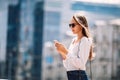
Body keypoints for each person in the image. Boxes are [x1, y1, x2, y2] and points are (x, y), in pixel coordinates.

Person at [54, 13, 95, 80]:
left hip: (79, 76)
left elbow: (81, 64)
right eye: (70, 25)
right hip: (72, 76)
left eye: (73, 25)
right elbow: (68, 66)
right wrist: (62, 53)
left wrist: (66, 51)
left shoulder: (84, 40)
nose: (71, 27)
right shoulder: (73, 40)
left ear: (81, 25)